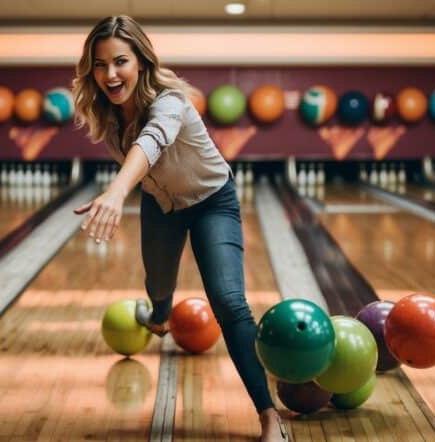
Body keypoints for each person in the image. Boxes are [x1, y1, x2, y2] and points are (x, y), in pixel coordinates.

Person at [71, 15, 288, 442]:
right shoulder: (109, 116)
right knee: (158, 284)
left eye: (120, 62)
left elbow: (152, 140)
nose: (110, 74)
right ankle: (159, 316)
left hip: (212, 202)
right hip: (162, 205)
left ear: (142, 62)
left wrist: (115, 193)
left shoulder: (170, 101)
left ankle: (268, 414)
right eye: (100, 65)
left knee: (229, 303)